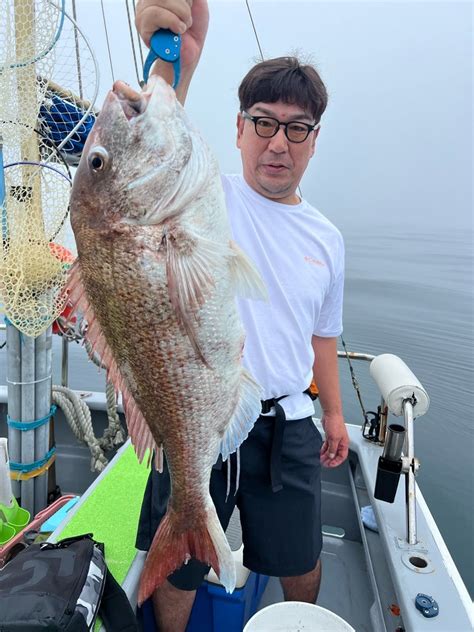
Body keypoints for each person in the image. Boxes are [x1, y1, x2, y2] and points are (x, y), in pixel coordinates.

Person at [134, 1, 350, 630]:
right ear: (238, 129)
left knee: (300, 555)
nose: (278, 142)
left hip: (288, 419)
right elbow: (148, 153)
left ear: (314, 140)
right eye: (264, 122)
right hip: (199, 409)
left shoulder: (327, 238)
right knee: (181, 564)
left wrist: (333, 412)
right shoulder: (203, 199)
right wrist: (175, 65)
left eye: (297, 128)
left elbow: (324, 333)